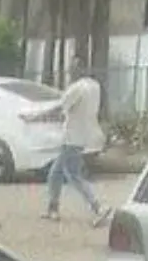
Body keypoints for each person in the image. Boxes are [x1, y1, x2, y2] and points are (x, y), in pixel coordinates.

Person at [26, 60, 111, 225]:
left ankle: (97, 206)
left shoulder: (77, 88)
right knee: (64, 173)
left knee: (64, 174)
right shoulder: (94, 86)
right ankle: (55, 208)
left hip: (72, 137)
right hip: (83, 135)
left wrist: (35, 117)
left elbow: (60, 108)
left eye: (73, 68)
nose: (71, 71)